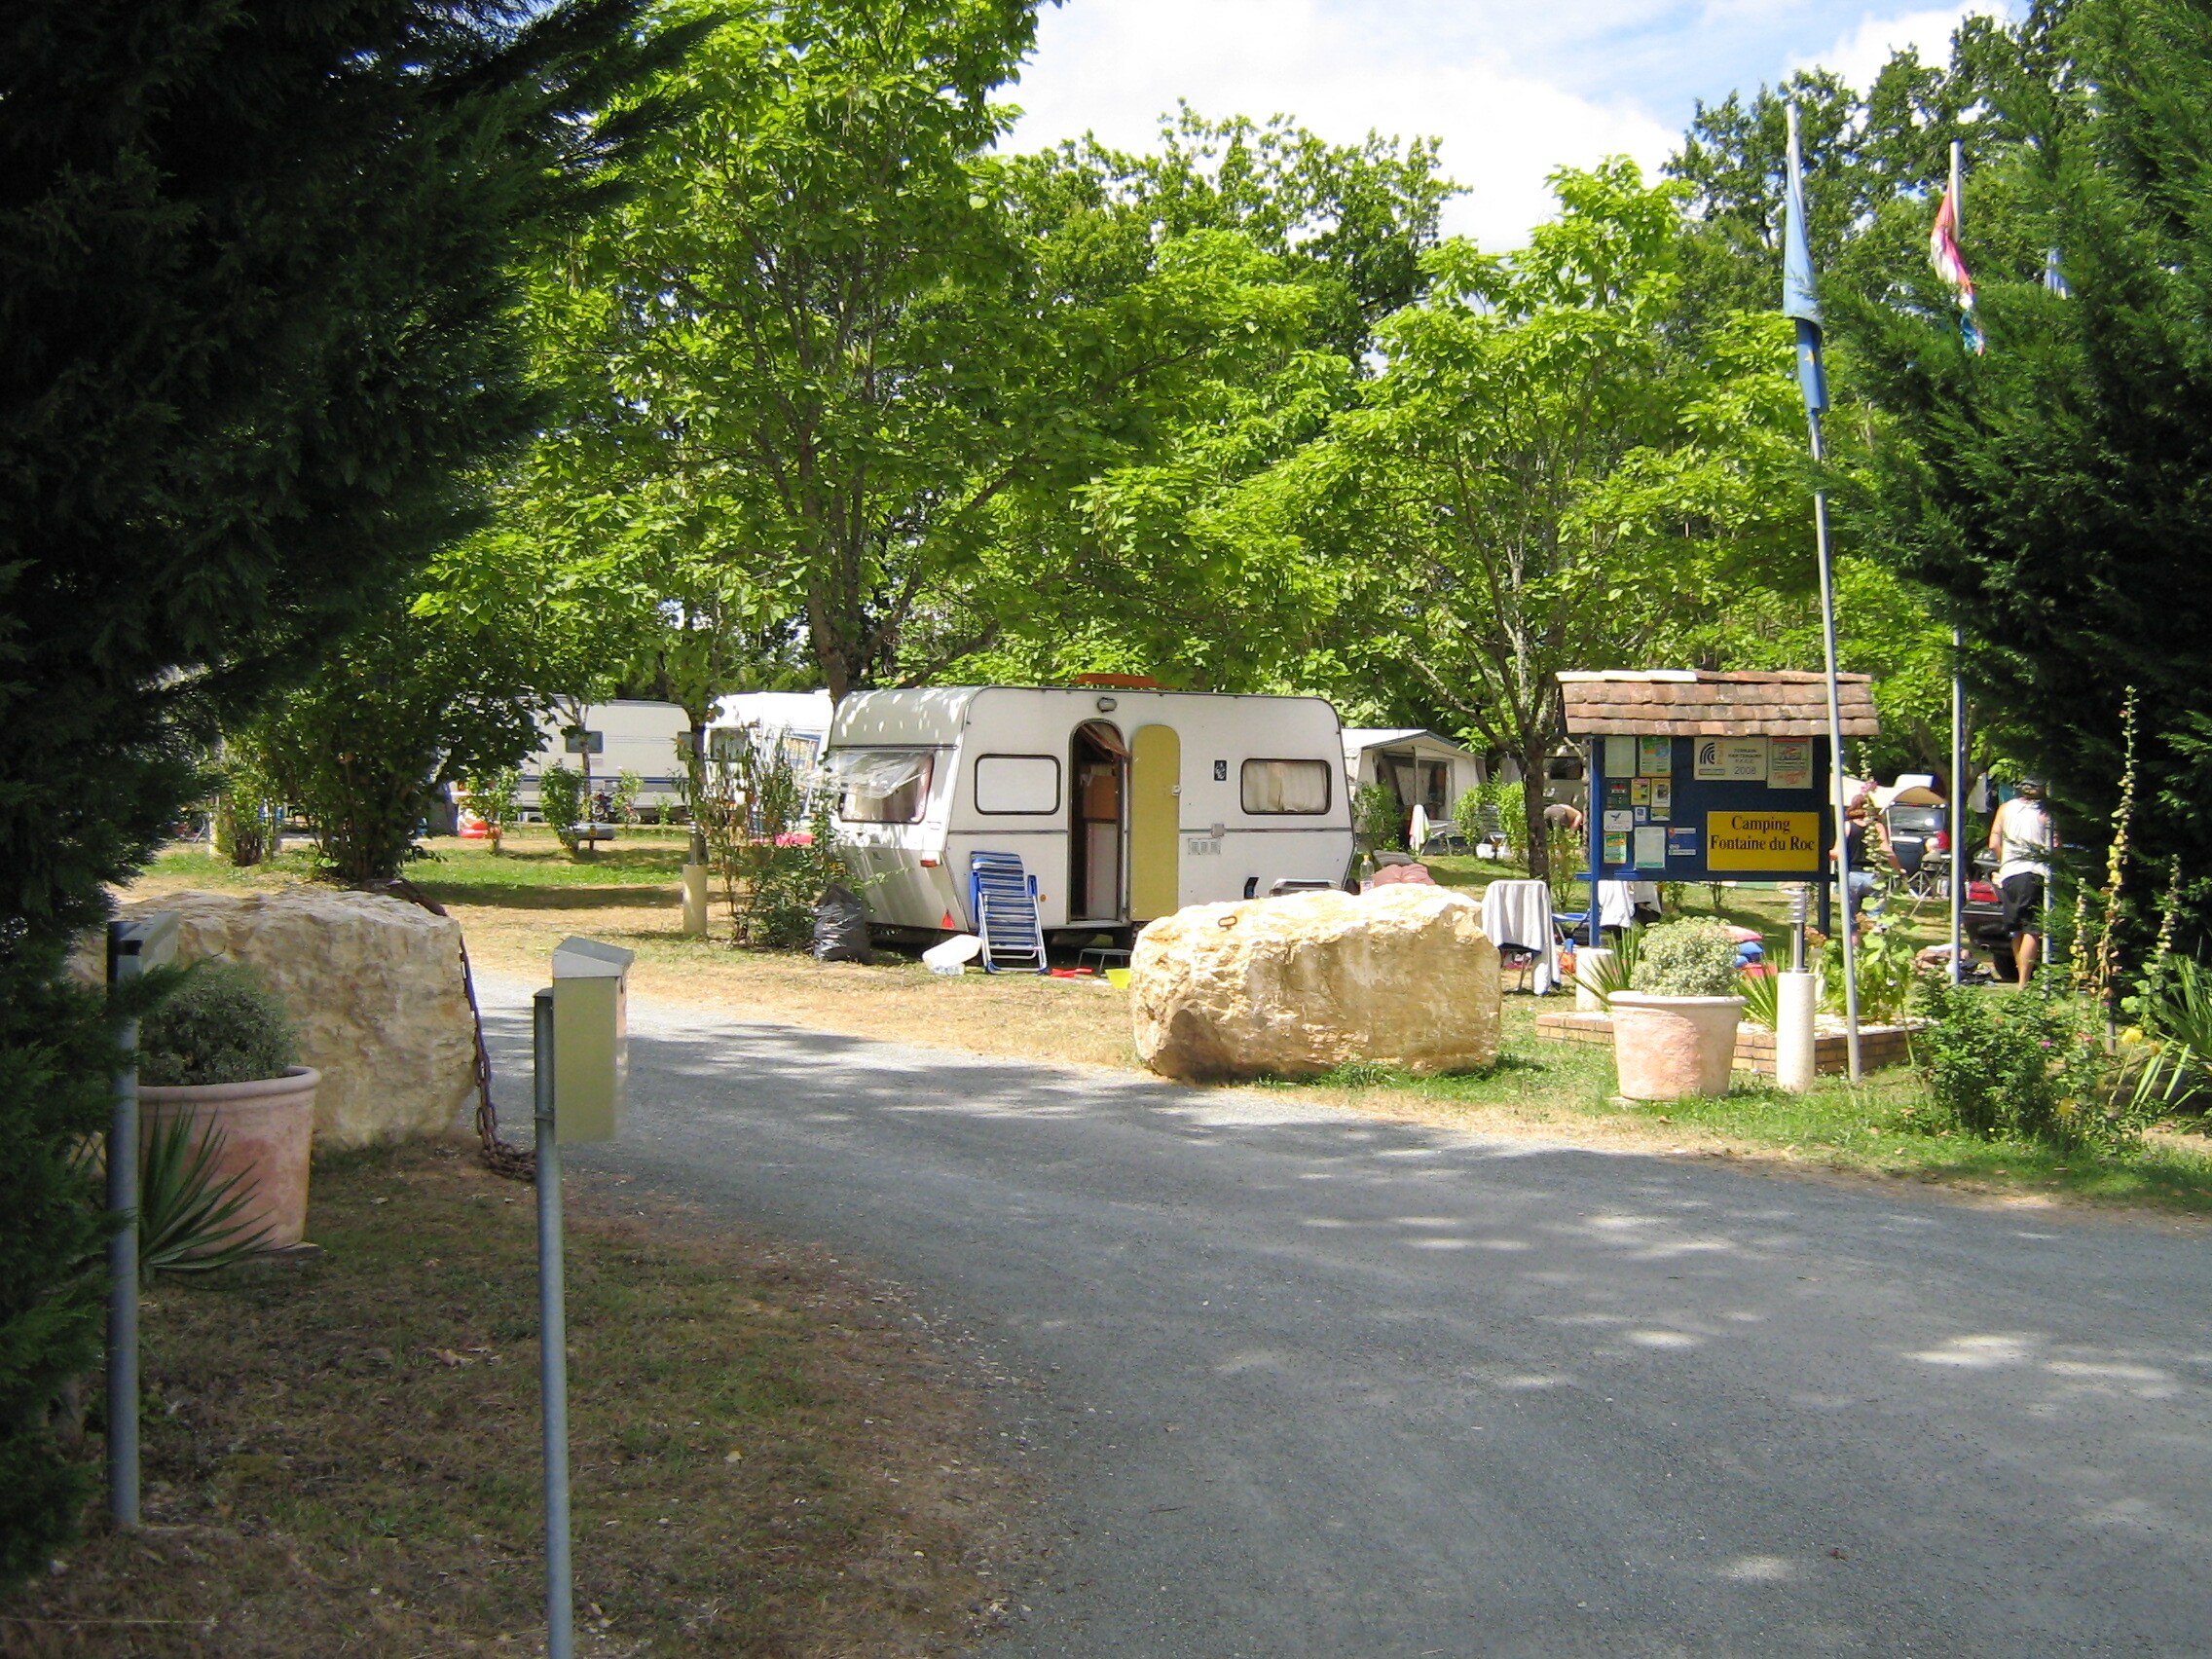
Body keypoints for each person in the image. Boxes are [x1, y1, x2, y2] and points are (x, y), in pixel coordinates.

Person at [1987, 778, 2055, 981]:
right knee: (2032, 930)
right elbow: (2056, 846)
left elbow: (1993, 842)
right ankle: (2024, 981)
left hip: (2009, 874)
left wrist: (2004, 861)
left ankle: (2020, 979)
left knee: (2016, 929)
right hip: (2035, 872)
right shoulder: (2047, 814)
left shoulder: (2006, 808)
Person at [1831, 787, 1899, 921]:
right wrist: (1897, 869)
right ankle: (1875, 939)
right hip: (1874, 876)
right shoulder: (1877, 827)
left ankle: (1853, 942)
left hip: (1851, 876)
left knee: (1850, 921)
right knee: (1876, 917)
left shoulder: (1847, 826)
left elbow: (1836, 853)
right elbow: (1886, 850)